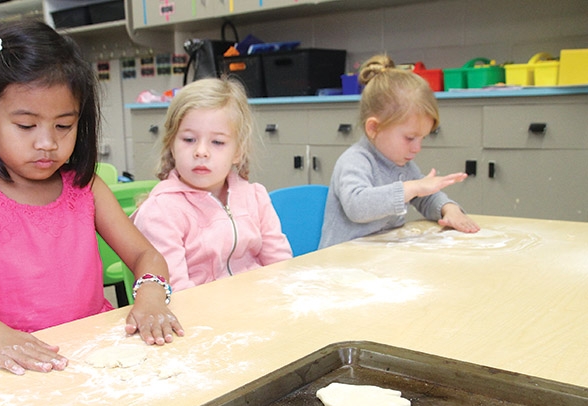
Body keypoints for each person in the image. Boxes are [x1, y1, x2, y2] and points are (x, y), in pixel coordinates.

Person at [0, 20, 183, 375]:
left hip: (89, 356)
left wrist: (150, 296)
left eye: (63, 125)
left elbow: (147, 255)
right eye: (25, 126)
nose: (47, 143)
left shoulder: (85, 187)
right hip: (3, 367)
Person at [132, 77, 292, 291]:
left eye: (217, 142)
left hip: (257, 306)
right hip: (201, 316)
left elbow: (280, 266)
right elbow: (176, 292)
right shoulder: (160, 212)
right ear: (171, 144)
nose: (201, 151)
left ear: (238, 152)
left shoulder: (255, 197)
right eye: (189, 139)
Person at [319, 55, 480, 248]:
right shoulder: (356, 160)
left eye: (423, 138)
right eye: (410, 138)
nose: (417, 148)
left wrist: (449, 209)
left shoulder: (401, 163)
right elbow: (357, 206)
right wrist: (412, 188)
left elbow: (425, 197)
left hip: (379, 256)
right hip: (342, 262)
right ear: (374, 128)